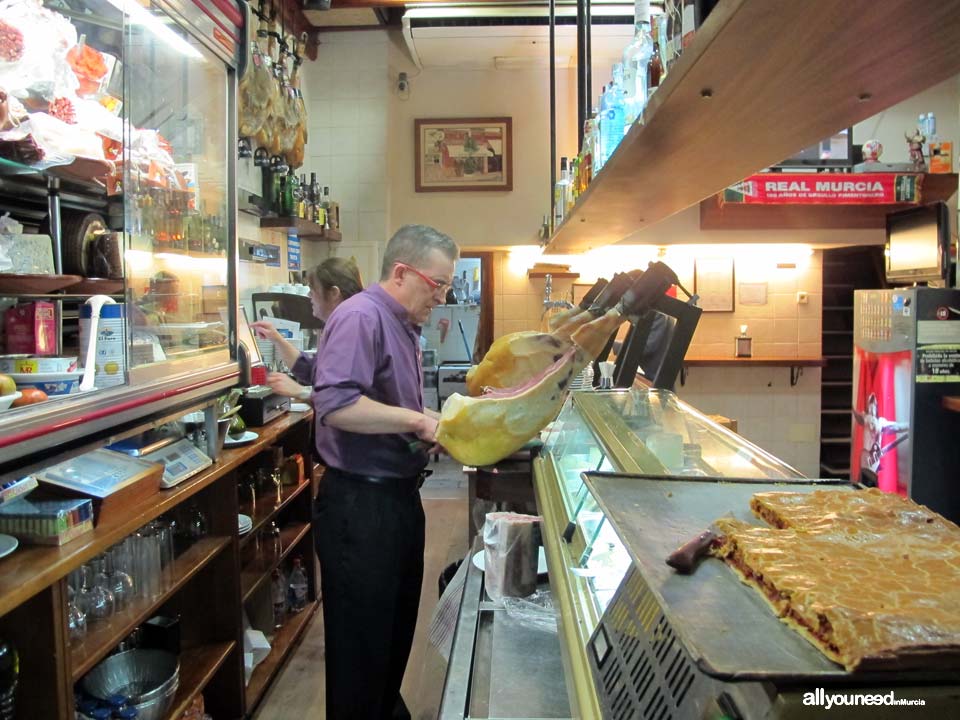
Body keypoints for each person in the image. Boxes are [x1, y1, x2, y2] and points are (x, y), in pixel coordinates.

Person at [311, 224, 458, 719]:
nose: (442, 296)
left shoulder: (402, 324)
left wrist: (422, 431)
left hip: (395, 501)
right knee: (361, 653)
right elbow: (335, 405)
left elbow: (382, 407)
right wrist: (418, 420)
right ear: (402, 272)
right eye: (437, 284)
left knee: (390, 641)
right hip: (360, 508)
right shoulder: (361, 317)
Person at [251, 256, 363, 400]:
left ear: (334, 293)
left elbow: (342, 399)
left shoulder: (352, 329)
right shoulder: (340, 325)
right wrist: (276, 339)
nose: (309, 295)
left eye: (313, 290)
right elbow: (312, 370)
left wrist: (300, 391)